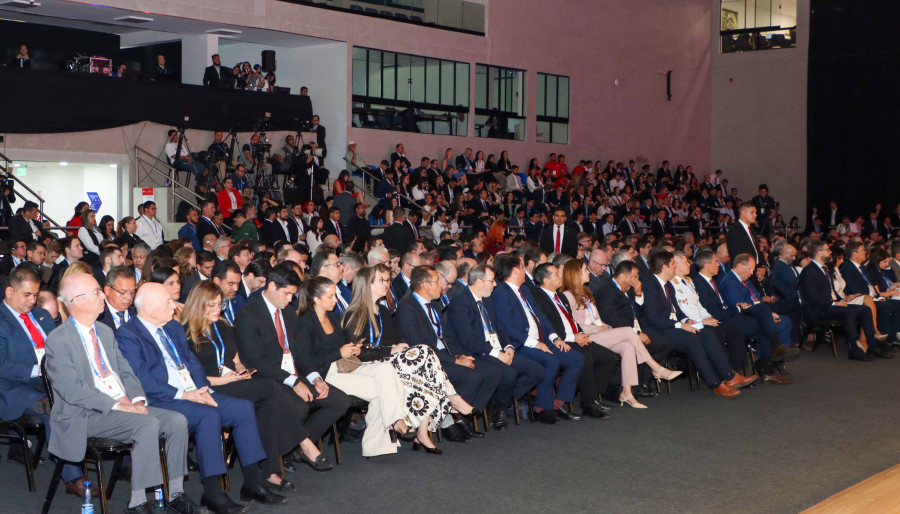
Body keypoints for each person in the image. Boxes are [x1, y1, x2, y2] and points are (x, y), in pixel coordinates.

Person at [45, 273, 199, 514]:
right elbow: (72, 389)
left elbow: (126, 372)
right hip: (84, 414)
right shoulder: (58, 340)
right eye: (96, 292)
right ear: (77, 301)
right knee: (146, 424)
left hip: (120, 407)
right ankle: (139, 503)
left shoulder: (105, 333)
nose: (102, 295)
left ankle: (176, 492)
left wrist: (136, 398)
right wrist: (119, 405)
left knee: (177, 421)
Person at [182, 281, 304, 492]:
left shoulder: (222, 325)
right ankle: (303, 441)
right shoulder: (185, 334)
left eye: (219, 304)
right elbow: (191, 379)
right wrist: (226, 380)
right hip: (210, 388)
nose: (217, 309)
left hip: (233, 382)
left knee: (266, 406)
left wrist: (239, 370)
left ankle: (268, 473)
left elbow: (236, 358)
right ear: (197, 305)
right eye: (211, 305)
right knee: (269, 388)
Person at [342, 265, 473, 453]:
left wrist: (397, 349)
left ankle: (424, 430)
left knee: (424, 359)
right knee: (424, 356)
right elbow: (356, 353)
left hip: (388, 362)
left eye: (388, 280)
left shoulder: (384, 312)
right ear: (368, 285)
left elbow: (396, 341)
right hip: (367, 366)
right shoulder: (355, 314)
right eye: (382, 280)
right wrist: (391, 351)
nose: (387, 284)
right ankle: (450, 401)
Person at [234, 263, 349, 467]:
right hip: (267, 378)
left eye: (293, 295)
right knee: (299, 408)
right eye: (286, 294)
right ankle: (293, 451)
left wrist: (316, 378)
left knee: (339, 400)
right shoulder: (248, 315)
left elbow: (300, 353)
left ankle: (294, 448)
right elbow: (256, 361)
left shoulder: (287, 313)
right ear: (271, 286)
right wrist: (294, 381)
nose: (290, 300)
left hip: (293, 373)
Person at [0, 267, 93, 496]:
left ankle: (83, 454)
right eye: (27, 295)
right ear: (10, 291)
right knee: (55, 408)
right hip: (13, 388)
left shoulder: (42, 316)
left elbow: (62, 347)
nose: (32, 301)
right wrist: (38, 370)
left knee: (85, 395)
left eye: (35, 295)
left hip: (50, 382)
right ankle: (73, 478)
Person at [296, 277, 410, 456]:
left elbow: (342, 349)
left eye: (335, 296)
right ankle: (391, 426)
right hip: (325, 374)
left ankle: (390, 427)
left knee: (387, 371)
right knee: (384, 390)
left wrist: (353, 348)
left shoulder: (333, 317)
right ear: (316, 299)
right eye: (330, 297)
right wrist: (339, 353)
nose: (336, 300)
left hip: (345, 367)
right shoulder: (305, 323)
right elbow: (305, 360)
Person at [396, 266, 503, 440]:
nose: (442, 286)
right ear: (424, 285)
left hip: (445, 355)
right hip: (426, 363)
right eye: (437, 281)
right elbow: (420, 347)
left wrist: (459, 355)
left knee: (494, 372)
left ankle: (460, 416)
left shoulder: (434, 304)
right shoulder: (407, 308)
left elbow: (447, 337)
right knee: (473, 376)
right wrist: (454, 360)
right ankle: (452, 415)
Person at [559, 259, 681, 409]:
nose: (587, 273)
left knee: (627, 346)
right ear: (575, 274)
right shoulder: (567, 295)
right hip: (586, 336)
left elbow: (598, 319)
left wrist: (606, 327)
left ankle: (627, 392)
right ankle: (656, 368)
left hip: (599, 332)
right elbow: (575, 324)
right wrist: (599, 329)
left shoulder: (586, 293)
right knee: (629, 332)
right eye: (585, 270)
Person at [641, 250, 756, 398]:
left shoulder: (667, 285)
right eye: (672, 264)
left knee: (706, 333)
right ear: (664, 267)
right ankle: (716, 383)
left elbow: (677, 310)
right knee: (695, 339)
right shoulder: (650, 284)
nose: (675, 266)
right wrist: (680, 325)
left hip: (671, 325)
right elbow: (653, 318)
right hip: (658, 329)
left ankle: (729, 376)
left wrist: (687, 321)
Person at [490, 254, 584, 423]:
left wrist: (555, 337)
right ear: (515, 270)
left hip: (541, 341)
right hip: (521, 344)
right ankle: (544, 408)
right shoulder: (501, 293)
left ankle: (558, 402)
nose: (526, 271)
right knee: (551, 361)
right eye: (522, 267)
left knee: (575, 358)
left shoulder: (525, 289)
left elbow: (540, 315)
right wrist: (536, 344)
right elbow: (507, 328)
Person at [530, 262, 620, 413]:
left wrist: (581, 334)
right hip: (560, 340)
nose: (561, 276)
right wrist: (573, 337)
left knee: (608, 357)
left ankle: (592, 396)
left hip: (574, 336)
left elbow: (571, 320)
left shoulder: (558, 295)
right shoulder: (539, 298)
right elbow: (549, 326)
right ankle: (588, 403)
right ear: (546, 280)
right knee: (586, 358)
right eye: (557, 274)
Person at [799, 240, 887, 361]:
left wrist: (843, 299)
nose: (830, 252)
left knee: (866, 310)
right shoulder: (809, 271)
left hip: (829, 306)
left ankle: (872, 347)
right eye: (827, 250)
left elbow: (832, 291)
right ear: (819, 252)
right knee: (849, 311)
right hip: (818, 309)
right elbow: (812, 296)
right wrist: (834, 303)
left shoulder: (823, 269)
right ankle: (854, 349)